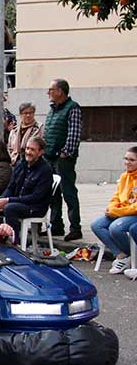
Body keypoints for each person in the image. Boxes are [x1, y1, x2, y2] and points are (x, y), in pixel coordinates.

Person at [44, 78, 83, 241]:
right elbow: (47, 131)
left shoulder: (72, 108)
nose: (48, 92)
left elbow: (74, 133)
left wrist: (66, 152)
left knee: (68, 192)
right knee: (53, 194)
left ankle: (75, 227)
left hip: (63, 158)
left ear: (60, 91)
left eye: (51, 89)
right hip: (50, 155)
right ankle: (56, 225)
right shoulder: (53, 109)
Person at [0, 136, 54, 238]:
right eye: (27, 148)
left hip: (35, 207)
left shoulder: (45, 170)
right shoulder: (21, 164)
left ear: (40, 152)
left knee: (10, 208)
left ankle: (14, 241)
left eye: (32, 150)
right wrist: (0, 201)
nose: (28, 152)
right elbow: (11, 186)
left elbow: (35, 197)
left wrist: (8, 201)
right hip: (17, 201)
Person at [90, 146, 137, 277]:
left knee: (115, 227)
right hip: (120, 211)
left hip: (132, 214)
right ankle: (122, 255)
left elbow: (135, 207)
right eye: (126, 158)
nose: (127, 162)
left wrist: (116, 212)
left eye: (132, 160)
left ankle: (131, 255)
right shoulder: (124, 177)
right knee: (96, 225)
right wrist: (111, 208)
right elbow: (117, 197)